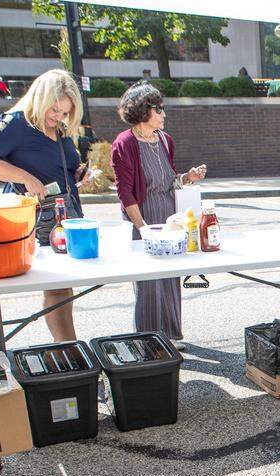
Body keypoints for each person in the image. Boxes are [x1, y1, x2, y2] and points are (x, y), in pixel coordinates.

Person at [0, 69, 90, 341]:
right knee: (58, 286)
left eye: (65, 113)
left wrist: (79, 173)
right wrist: (24, 177)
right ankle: (68, 346)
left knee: (63, 285)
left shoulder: (59, 129)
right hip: (35, 218)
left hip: (65, 216)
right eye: (54, 110)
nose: (58, 117)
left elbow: (66, 166)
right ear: (40, 98)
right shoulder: (14, 123)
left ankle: (67, 346)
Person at [111, 82, 207, 348]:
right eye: (159, 109)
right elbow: (125, 192)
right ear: (143, 111)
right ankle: (149, 340)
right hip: (142, 215)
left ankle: (171, 335)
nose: (164, 114)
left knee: (170, 275)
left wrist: (188, 177)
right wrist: (142, 227)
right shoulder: (124, 143)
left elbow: (169, 180)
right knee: (149, 281)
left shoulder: (165, 140)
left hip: (168, 215)